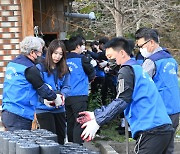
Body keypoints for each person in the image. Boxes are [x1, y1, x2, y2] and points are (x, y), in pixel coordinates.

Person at [77, 37, 174, 154]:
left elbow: (122, 101)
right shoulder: (138, 68)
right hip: (164, 127)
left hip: (151, 130)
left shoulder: (126, 70)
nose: (110, 61)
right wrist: (95, 114)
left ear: (122, 53)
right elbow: (123, 99)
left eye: (110, 57)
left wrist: (98, 122)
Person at [1, 36, 62, 131]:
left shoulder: (12, 64)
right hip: (20, 114)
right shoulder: (29, 69)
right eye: (40, 52)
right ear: (32, 52)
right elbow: (42, 89)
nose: (41, 55)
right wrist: (55, 98)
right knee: (22, 144)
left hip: (8, 111)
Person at [135, 27, 180, 154]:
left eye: (141, 46)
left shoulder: (151, 61)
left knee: (154, 147)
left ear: (151, 43)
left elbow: (140, 85)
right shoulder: (170, 59)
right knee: (168, 148)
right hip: (175, 108)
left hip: (161, 112)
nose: (140, 50)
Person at [35, 39, 70, 145]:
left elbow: (67, 86)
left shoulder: (64, 69)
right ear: (50, 53)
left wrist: (63, 95)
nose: (57, 57)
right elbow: (36, 88)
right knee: (49, 141)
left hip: (59, 109)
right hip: (43, 109)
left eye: (60, 54)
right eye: (55, 53)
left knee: (61, 139)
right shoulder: (40, 68)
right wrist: (43, 99)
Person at [65, 35, 96, 145]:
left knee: (70, 122)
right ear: (78, 46)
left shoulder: (64, 59)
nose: (83, 47)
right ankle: (78, 148)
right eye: (82, 45)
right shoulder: (83, 59)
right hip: (79, 95)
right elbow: (92, 74)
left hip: (66, 96)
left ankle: (70, 147)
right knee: (79, 123)